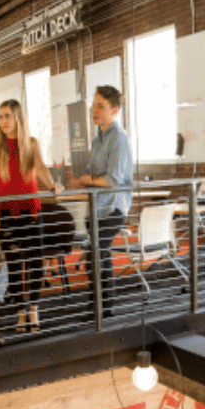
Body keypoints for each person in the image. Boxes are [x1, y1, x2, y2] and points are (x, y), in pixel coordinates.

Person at [0, 99, 63, 333]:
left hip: (31, 210)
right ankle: (20, 312)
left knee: (36, 260)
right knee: (15, 264)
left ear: (18, 117)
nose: (3, 121)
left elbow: (40, 168)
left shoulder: (31, 143)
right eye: (0, 117)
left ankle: (33, 308)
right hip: (5, 213)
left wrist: (52, 184)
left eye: (7, 116)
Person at [60, 85, 133, 318]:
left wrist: (89, 179)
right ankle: (101, 306)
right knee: (97, 256)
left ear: (115, 110)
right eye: (94, 105)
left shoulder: (119, 139)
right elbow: (91, 177)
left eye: (100, 106)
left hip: (112, 207)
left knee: (96, 253)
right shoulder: (96, 141)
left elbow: (113, 179)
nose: (95, 110)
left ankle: (101, 307)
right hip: (96, 207)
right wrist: (86, 180)